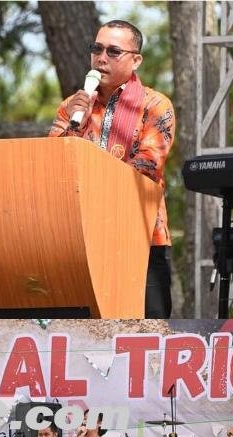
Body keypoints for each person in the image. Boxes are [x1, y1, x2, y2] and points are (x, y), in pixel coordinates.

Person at [48, 20, 175, 319]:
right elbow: (54, 167)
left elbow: (146, 168)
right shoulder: (71, 107)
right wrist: (75, 125)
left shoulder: (154, 105)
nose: (101, 58)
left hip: (142, 238)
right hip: (82, 240)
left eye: (113, 51)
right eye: (97, 49)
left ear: (136, 59)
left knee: (146, 335)